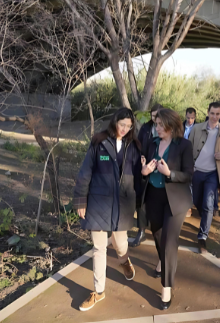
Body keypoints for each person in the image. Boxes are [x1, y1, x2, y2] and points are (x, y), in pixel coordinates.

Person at [74, 108, 141, 311]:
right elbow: (85, 172)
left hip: (122, 204)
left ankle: (124, 260)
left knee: (120, 244)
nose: (125, 129)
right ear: (115, 122)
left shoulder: (134, 146)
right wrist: (80, 200)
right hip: (98, 203)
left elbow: (138, 176)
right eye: (122, 124)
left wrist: (145, 177)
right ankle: (99, 291)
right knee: (98, 248)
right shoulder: (99, 142)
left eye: (129, 126)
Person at [140, 108, 194, 310]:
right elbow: (143, 169)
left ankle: (166, 287)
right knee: (157, 235)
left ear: (172, 125)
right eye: (156, 124)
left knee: (169, 241)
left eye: (161, 125)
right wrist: (145, 171)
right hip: (153, 196)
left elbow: (189, 175)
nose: (157, 128)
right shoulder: (152, 143)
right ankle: (162, 261)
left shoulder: (184, 145)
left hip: (175, 200)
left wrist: (169, 173)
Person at [188, 102, 220, 253]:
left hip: (213, 173)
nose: (215, 117)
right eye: (212, 113)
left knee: (208, 204)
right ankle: (204, 217)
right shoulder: (196, 128)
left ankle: (202, 237)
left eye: (218, 114)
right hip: (196, 172)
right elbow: (188, 148)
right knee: (195, 201)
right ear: (208, 112)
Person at [130, 103, 163, 248]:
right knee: (141, 202)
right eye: (153, 115)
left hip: (161, 170)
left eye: (157, 116)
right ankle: (141, 231)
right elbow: (139, 145)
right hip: (145, 168)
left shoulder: (167, 129)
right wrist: (141, 160)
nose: (155, 119)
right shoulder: (146, 128)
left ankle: (160, 232)